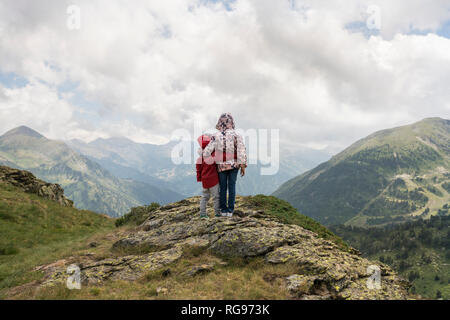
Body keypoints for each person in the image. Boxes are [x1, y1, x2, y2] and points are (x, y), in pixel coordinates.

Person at [203, 113, 247, 217]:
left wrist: (211, 159)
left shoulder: (215, 136)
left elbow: (206, 152)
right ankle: (230, 210)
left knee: (222, 188)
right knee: (232, 187)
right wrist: (243, 165)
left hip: (221, 166)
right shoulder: (237, 135)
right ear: (231, 122)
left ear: (219, 122)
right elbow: (241, 150)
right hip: (234, 165)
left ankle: (223, 210)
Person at [196, 134, 220, 218]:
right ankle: (217, 213)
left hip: (205, 181)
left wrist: (200, 179)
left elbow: (198, 170)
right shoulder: (212, 157)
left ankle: (202, 214)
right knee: (216, 197)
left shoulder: (199, 159)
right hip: (214, 180)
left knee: (204, 197)